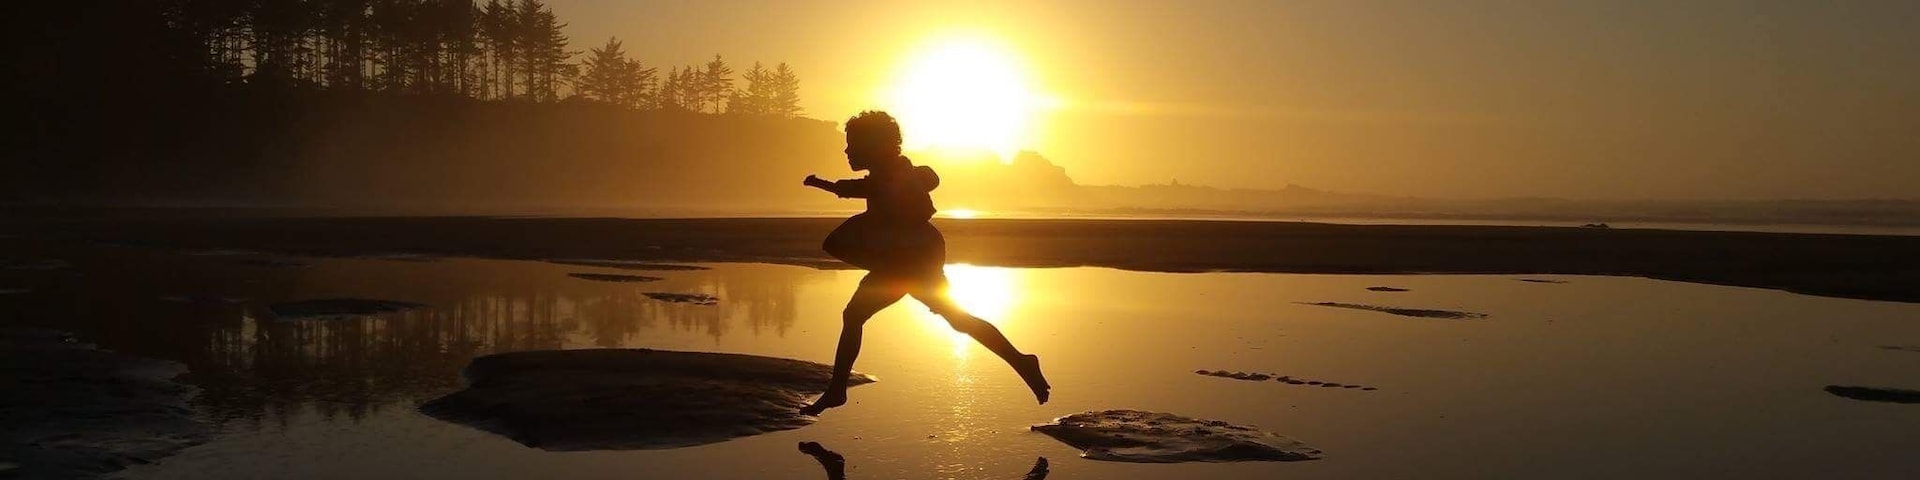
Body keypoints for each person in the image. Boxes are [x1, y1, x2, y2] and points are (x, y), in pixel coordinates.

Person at [798, 110, 1050, 416]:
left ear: (874, 145)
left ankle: (837, 389)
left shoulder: (892, 174)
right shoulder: (894, 171)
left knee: (861, 310)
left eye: (853, 144)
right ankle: (1022, 361)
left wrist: (825, 184)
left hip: (913, 254)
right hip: (910, 251)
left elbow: (878, 187)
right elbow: (924, 178)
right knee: (949, 318)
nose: (847, 150)